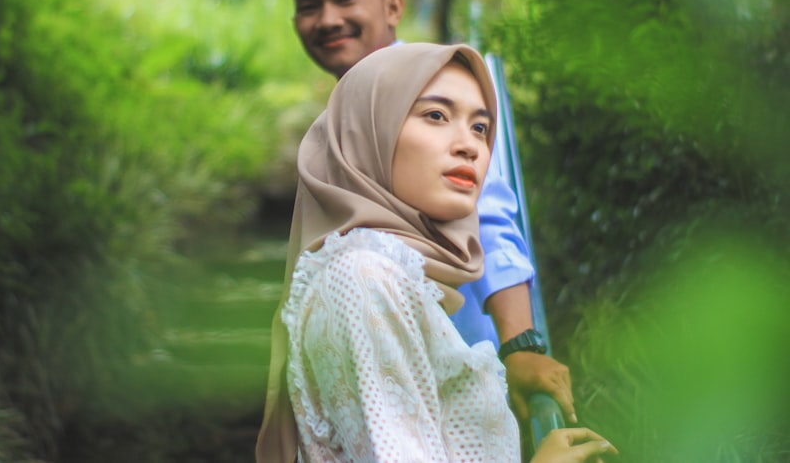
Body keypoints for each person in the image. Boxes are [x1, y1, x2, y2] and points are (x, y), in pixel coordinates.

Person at [256, 43, 616, 462]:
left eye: (481, 127)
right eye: (436, 116)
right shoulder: (363, 279)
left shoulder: (390, 275)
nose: (470, 146)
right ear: (371, 131)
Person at [289, 0, 574, 424]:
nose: (329, 19)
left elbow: (488, 213)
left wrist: (520, 344)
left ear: (392, 6)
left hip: (466, 377)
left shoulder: (443, 89)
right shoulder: (349, 111)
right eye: (310, 6)